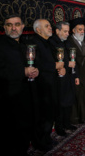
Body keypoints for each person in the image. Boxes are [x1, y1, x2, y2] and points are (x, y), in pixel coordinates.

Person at [0, 15, 39, 155]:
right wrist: (22, 71)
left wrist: (36, 71)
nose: (13, 28)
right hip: (8, 99)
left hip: (27, 96)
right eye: (9, 25)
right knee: (10, 136)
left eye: (17, 24)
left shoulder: (24, 44)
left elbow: (32, 65)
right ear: (4, 27)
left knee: (25, 131)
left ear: (22, 26)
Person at [31, 19, 64, 152]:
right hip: (41, 86)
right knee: (42, 116)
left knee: (50, 113)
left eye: (50, 25)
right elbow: (35, 64)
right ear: (38, 30)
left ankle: (47, 137)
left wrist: (60, 68)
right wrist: (54, 66)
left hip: (52, 83)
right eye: (46, 26)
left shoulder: (48, 42)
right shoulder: (33, 43)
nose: (50, 28)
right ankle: (40, 142)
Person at [49, 21, 78, 136]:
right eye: (65, 31)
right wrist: (67, 65)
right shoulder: (52, 43)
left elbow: (73, 59)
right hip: (59, 78)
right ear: (57, 31)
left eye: (68, 31)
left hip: (70, 76)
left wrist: (76, 75)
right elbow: (53, 60)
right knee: (61, 103)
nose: (67, 34)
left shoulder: (67, 42)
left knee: (69, 101)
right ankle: (59, 127)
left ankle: (67, 123)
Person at [67, 18, 85, 123]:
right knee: (79, 95)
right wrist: (84, 59)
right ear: (73, 30)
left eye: (83, 29)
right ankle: (79, 117)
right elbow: (73, 57)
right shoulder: (70, 42)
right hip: (77, 73)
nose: (82, 32)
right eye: (79, 30)